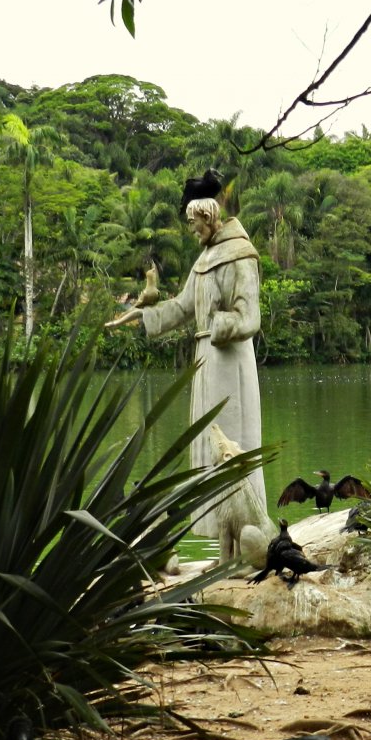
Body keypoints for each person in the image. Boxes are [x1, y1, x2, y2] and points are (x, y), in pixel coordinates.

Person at [106, 180, 267, 537]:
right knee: (210, 444)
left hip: (230, 361)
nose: (192, 231)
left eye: (194, 225)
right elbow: (182, 307)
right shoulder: (204, 259)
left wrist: (217, 324)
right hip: (207, 361)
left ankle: (246, 535)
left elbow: (250, 317)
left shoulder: (241, 255)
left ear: (208, 217)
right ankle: (221, 540)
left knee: (232, 445)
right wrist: (141, 316)